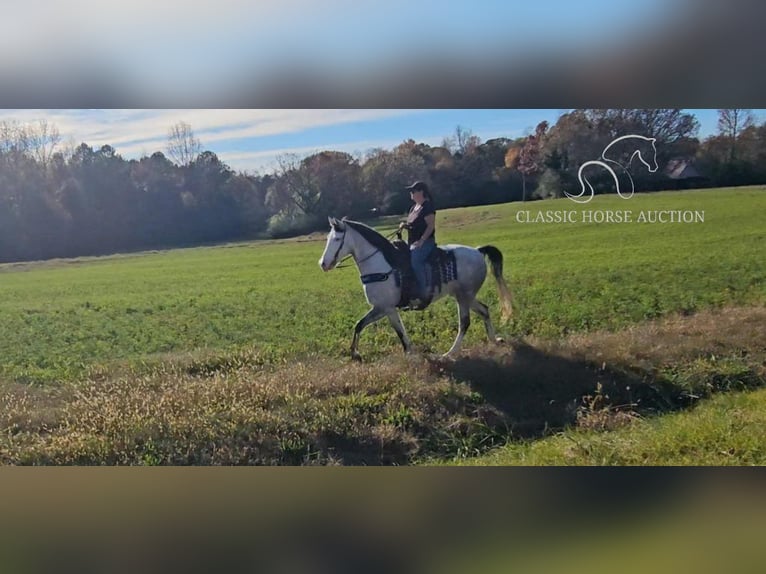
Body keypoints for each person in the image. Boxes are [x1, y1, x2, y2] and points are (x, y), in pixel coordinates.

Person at [399, 181, 437, 308]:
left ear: (421, 192)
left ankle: (424, 292)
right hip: (413, 242)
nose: (411, 193)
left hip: (426, 242)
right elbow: (413, 224)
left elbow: (430, 226)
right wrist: (405, 225)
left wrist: (421, 241)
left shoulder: (427, 207)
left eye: (413, 191)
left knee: (415, 260)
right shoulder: (413, 207)